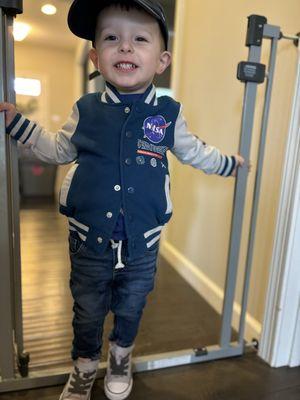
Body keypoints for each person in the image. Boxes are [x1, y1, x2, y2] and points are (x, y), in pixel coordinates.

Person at [0, 0, 245, 399]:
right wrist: (19, 125)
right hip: (88, 238)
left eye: (140, 39)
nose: (126, 47)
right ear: (96, 56)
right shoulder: (86, 109)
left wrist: (228, 165)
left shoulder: (167, 114)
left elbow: (194, 151)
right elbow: (58, 148)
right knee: (88, 310)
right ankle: (82, 367)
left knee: (131, 307)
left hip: (142, 242)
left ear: (161, 60)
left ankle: (120, 358)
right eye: (112, 38)